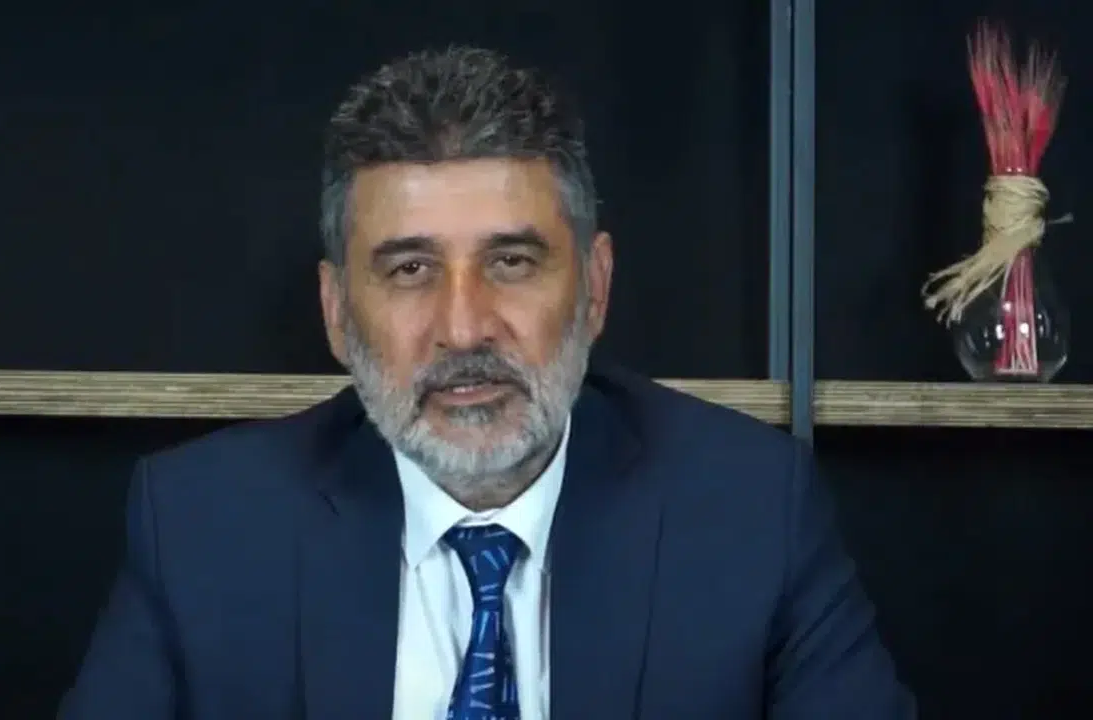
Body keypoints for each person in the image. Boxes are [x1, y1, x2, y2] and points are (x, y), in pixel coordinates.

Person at [59, 46, 916, 719]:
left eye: (511, 262)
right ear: (336, 312)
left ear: (595, 288)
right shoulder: (202, 529)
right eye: (409, 270)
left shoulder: (753, 514)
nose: (464, 328)